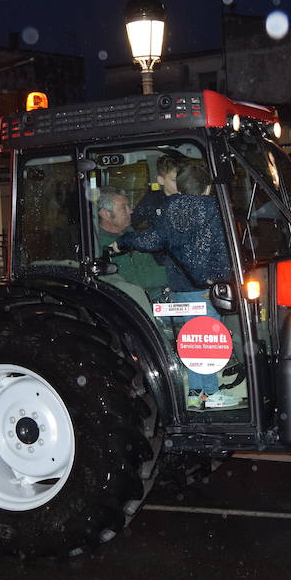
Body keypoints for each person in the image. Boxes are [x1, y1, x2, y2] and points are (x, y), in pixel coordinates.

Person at [112, 164, 235, 409]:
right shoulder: (212, 208)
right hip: (203, 288)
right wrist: (220, 276)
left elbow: (152, 240)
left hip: (180, 288)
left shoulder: (168, 208)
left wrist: (123, 241)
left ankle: (195, 393)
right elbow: (223, 248)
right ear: (207, 187)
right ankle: (210, 394)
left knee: (193, 342)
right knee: (207, 345)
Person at [94, 187, 166, 295]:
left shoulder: (130, 234)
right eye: (123, 208)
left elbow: (150, 264)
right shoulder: (101, 245)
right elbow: (134, 279)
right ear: (106, 214)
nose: (131, 211)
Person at [131, 151, 185, 230]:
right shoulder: (151, 200)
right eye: (174, 180)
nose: (180, 184)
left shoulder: (188, 198)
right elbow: (135, 223)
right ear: (161, 180)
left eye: (182, 179)